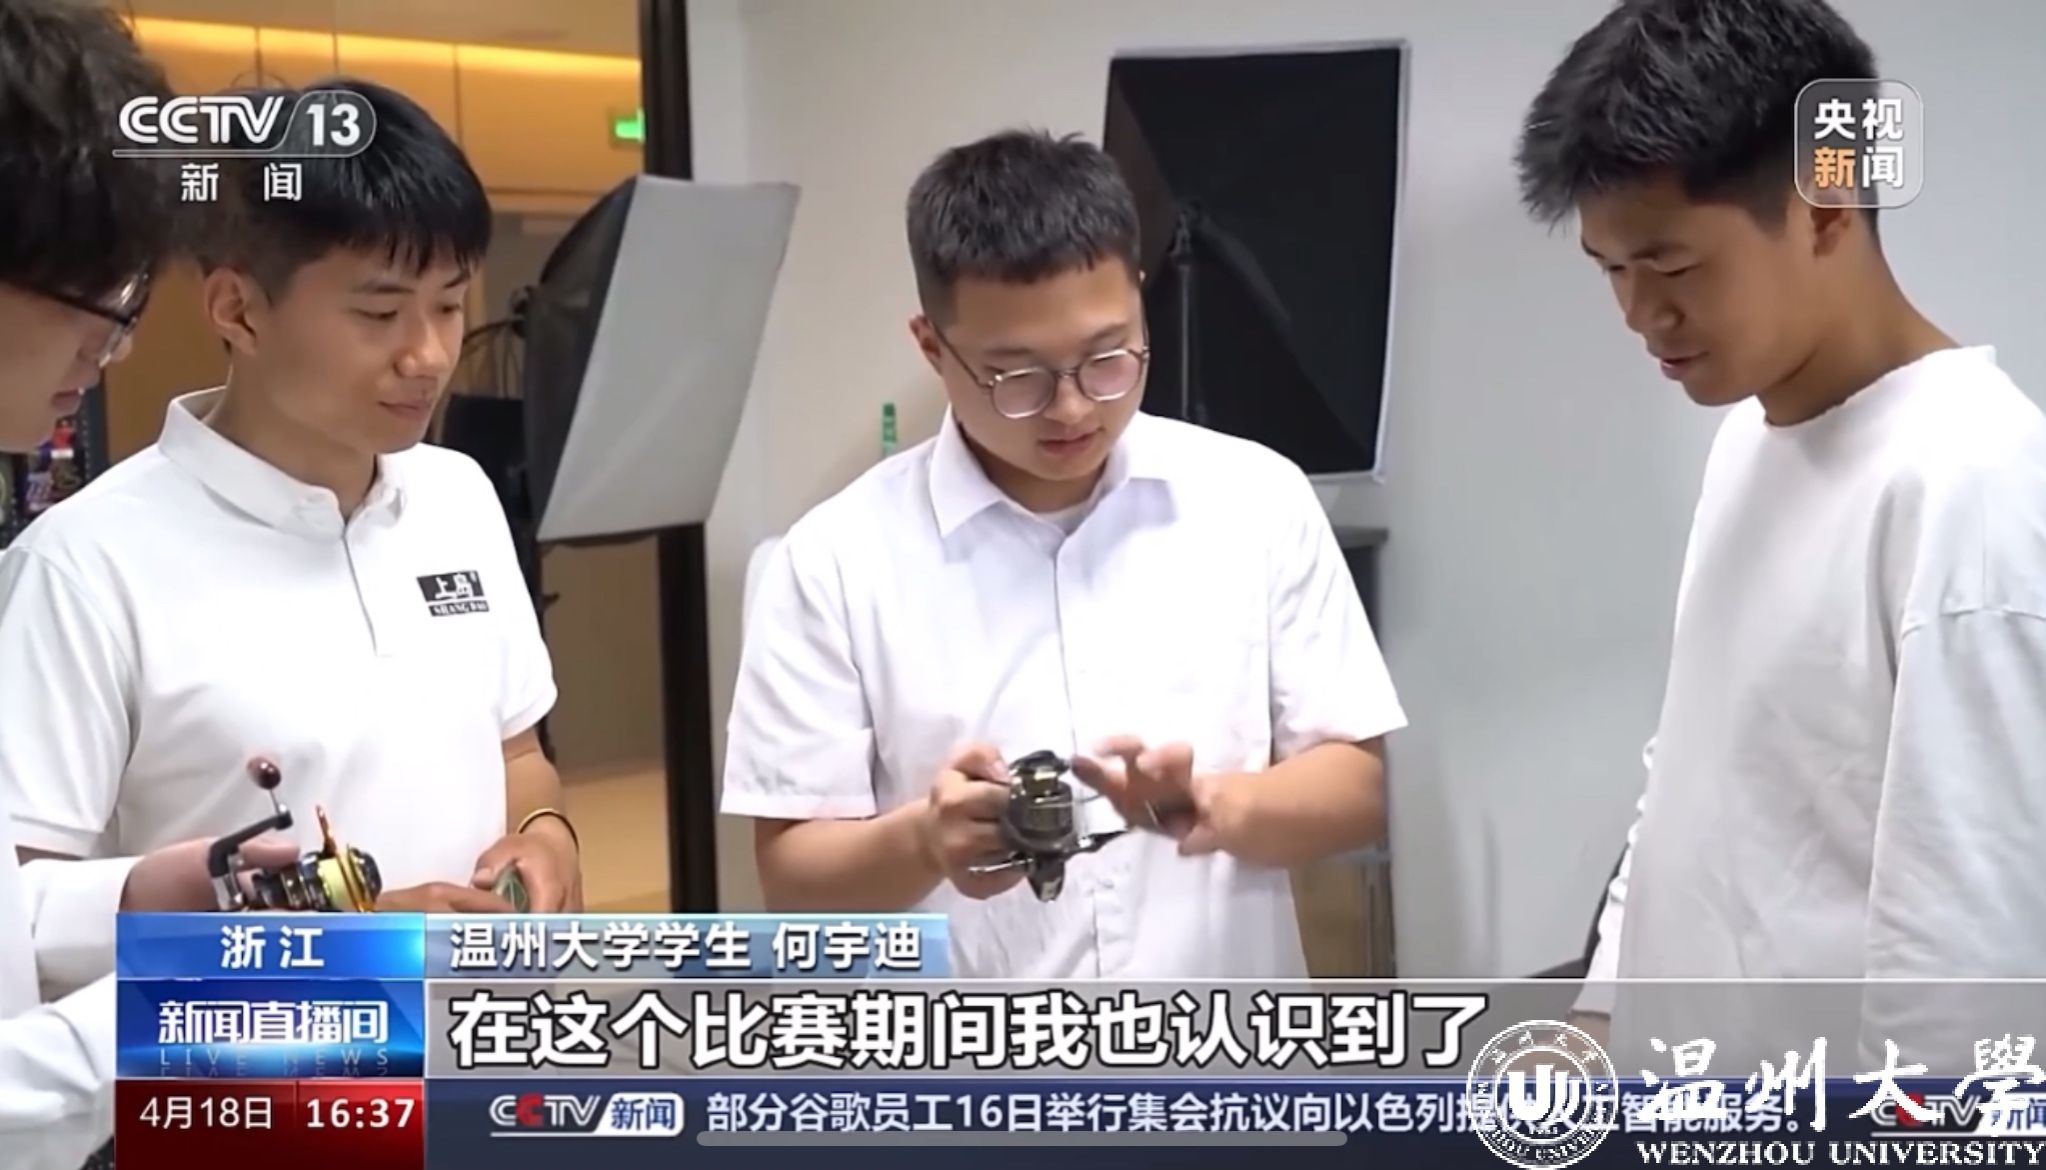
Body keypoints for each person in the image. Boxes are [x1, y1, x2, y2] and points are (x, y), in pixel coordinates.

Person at [721, 128, 1405, 978]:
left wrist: (1217, 805)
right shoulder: (833, 561)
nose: (1073, 408)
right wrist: (923, 841)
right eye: (1019, 376)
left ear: (1140, 301)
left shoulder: (1255, 499)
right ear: (932, 347)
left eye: (1106, 357)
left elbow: (1356, 790)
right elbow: (793, 879)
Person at [1518, 0, 2046, 1072]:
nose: (1638, 314)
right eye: (1611, 270)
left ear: (1828, 205)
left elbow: (1967, 961)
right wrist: (1601, 1016)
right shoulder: (1752, 443)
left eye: (1671, 267)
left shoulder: (1971, 484)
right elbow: (1689, 778)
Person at [0, 76, 579, 951]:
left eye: (450, 304)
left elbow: (518, 754)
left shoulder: (458, 495)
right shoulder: (82, 566)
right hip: (254, 1039)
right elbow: (23, 908)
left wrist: (547, 834)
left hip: (474, 1022)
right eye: (380, 312)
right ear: (238, 310)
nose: (428, 355)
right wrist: (330, 940)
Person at [0, 2, 303, 1167]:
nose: (104, 350)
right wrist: (198, 1007)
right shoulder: (79, 559)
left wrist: (146, 896)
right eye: (99, 303)